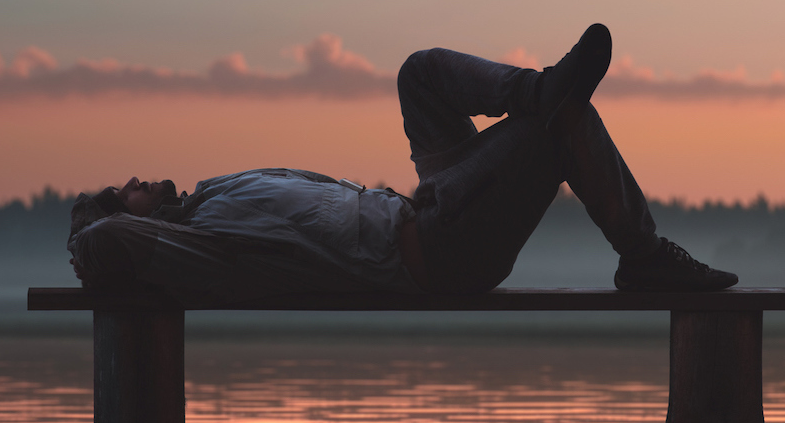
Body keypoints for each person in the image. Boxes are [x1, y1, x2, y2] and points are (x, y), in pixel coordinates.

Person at [67, 24, 737, 308]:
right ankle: (643, 252)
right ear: (125, 221)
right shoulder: (196, 246)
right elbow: (102, 245)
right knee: (561, 127)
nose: (134, 183)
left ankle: (538, 89)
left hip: (424, 204)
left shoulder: (212, 193)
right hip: (440, 251)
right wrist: (86, 232)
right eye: (120, 193)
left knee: (419, 73)